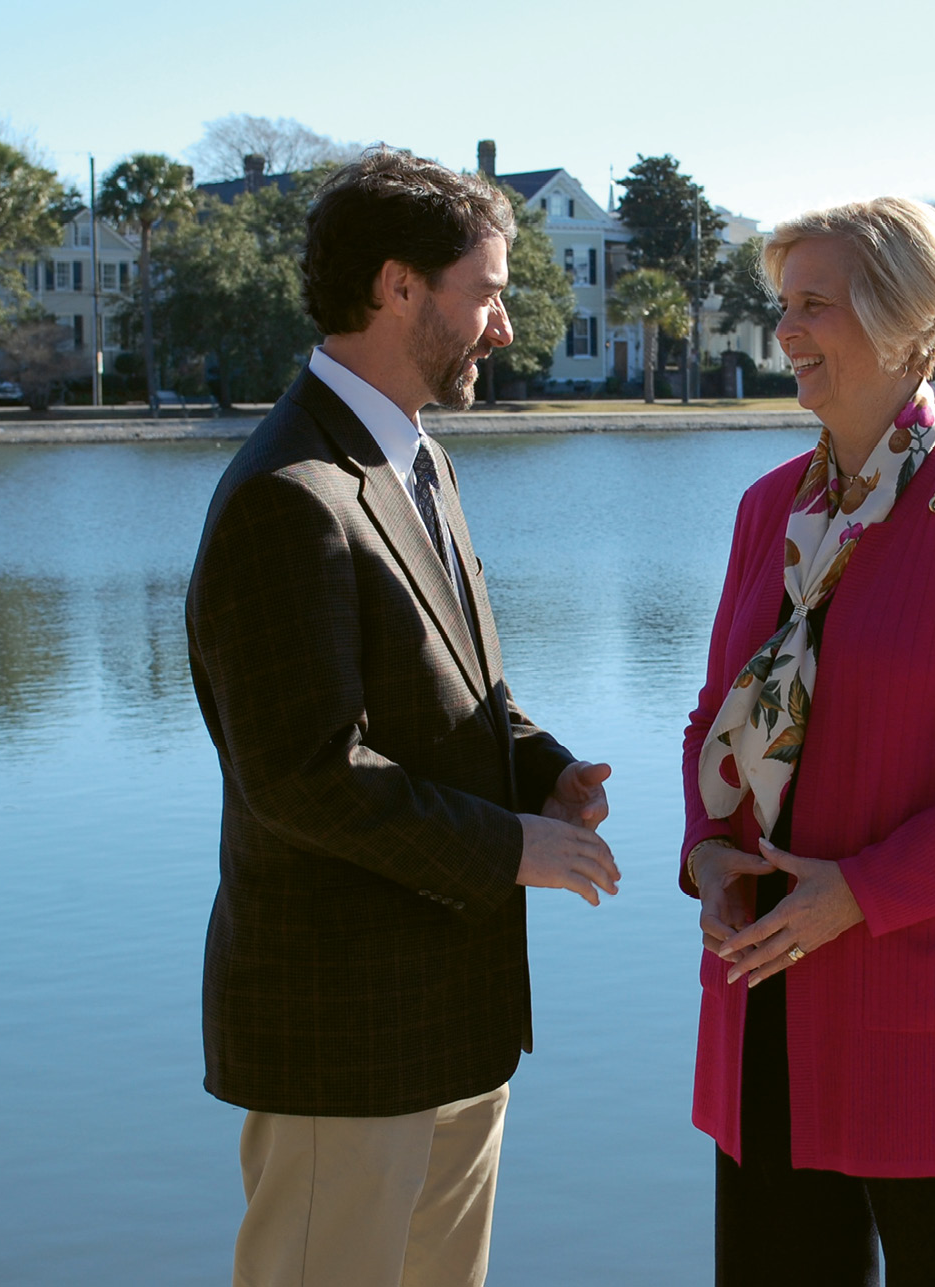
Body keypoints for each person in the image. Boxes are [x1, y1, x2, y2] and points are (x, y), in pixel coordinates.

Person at [186, 147, 621, 1287]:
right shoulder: (291, 497)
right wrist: (511, 847)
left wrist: (543, 773)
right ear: (397, 288)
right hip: (344, 1039)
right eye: (485, 292)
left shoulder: (414, 461)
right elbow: (305, 774)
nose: (504, 328)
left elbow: (450, 694)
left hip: (453, 1020)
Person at [681, 198, 935, 1286]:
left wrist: (861, 892)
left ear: (908, 320)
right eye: (783, 306)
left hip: (928, 1004)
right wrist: (706, 851)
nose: (786, 333)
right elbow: (717, 714)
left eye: (815, 305)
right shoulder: (768, 507)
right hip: (766, 987)